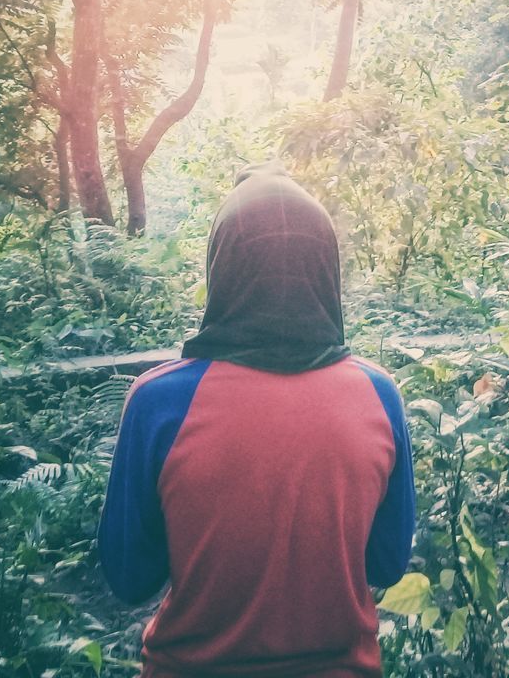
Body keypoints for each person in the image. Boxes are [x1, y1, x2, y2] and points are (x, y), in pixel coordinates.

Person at [97, 161, 416, 678]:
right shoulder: (379, 394)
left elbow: (131, 577)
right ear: (325, 267)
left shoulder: (159, 401)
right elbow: (386, 565)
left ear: (222, 267)